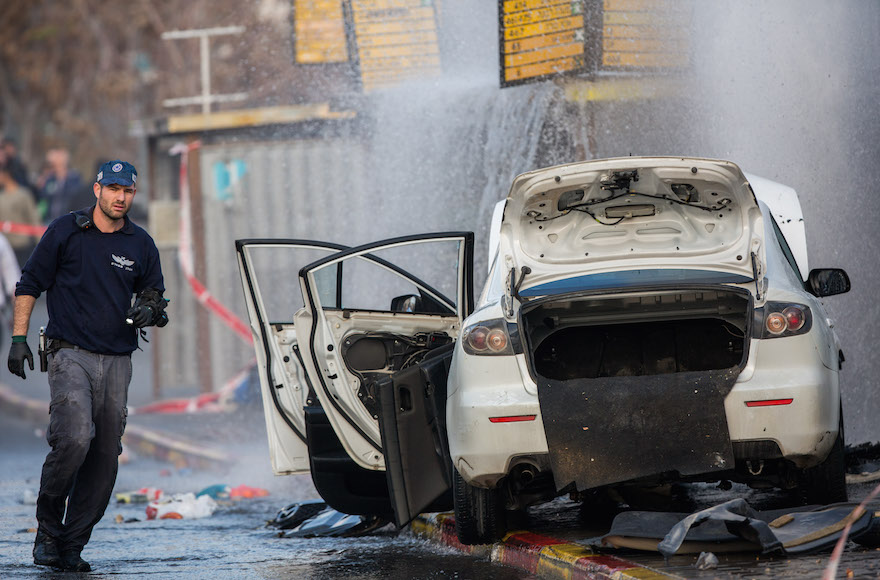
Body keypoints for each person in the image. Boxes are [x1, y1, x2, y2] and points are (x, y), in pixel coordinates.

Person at [7, 160, 168, 572]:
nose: (120, 197)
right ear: (97, 189)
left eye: (127, 191)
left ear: (133, 194)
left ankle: (72, 543)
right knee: (75, 437)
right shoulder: (66, 231)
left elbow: (155, 295)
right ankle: (48, 531)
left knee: (105, 453)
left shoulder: (140, 243)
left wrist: (150, 308)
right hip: (69, 353)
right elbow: (28, 284)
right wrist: (19, 339)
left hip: (117, 359)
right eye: (113, 188)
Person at [0, 160, 42, 267]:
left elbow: (34, 219)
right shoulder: (1, 196)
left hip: (21, 246)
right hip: (5, 245)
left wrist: (41, 245)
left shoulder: (23, 195)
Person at [37, 148, 82, 223]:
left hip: (67, 218)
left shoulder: (74, 178)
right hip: (49, 219)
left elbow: (76, 195)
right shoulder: (50, 179)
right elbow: (43, 197)